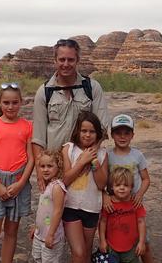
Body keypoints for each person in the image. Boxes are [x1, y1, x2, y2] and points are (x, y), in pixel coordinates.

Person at [33, 38, 109, 191]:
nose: (66, 64)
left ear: (77, 60)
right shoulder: (44, 91)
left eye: (70, 59)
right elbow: (38, 137)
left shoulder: (92, 88)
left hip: (86, 165)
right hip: (55, 167)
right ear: (55, 60)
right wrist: (40, 170)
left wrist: (87, 158)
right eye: (61, 59)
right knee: (55, 213)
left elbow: (102, 128)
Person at [0, 82, 35, 263]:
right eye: (6, 103)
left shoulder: (27, 126)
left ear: (21, 103)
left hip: (18, 182)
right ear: (0, 103)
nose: (10, 107)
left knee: (11, 233)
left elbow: (31, 158)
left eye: (14, 102)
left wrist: (20, 184)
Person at [103, 114, 153, 263]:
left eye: (127, 133)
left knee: (144, 242)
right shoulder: (108, 156)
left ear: (132, 135)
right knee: (116, 238)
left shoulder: (137, 155)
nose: (122, 137)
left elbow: (146, 179)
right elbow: (101, 181)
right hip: (114, 205)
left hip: (134, 204)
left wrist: (140, 194)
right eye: (118, 133)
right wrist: (105, 195)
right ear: (112, 135)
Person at [62, 111, 109, 263]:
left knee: (86, 253)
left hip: (92, 208)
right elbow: (65, 180)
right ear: (77, 131)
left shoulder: (102, 154)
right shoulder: (69, 149)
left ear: (97, 134)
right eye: (84, 131)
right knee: (79, 252)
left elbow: (102, 184)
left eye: (92, 131)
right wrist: (82, 161)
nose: (87, 135)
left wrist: (94, 161)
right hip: (71, 207)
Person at [99, 167, 147, 263]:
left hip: (131, 249)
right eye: (118, 185)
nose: (122, 187)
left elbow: (141, 222)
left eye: (125, 185)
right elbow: (102, 222)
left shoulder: (135, 203)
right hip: (111, 247)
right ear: (112, 186)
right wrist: (102, 241)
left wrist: (142, 242)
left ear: (131, 187)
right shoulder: (108, 204)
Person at [31, 150, 67, 263]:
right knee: (38, 258)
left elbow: (57, 211)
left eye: (50, 166)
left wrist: (51, 235)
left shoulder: (57, 187)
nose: (45, 169)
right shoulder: (47, 185)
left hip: (51, 236)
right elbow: (44, 211)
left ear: (58, 167)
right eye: (42, 166)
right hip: (40, 235)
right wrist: (36, 227)